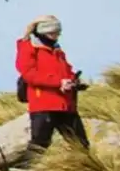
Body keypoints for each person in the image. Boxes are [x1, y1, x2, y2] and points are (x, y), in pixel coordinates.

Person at [16, 14, 89, 150]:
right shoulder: (28, 47)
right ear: (43, 32)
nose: (57, 36)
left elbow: (66, 71)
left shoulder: (57, 50)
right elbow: (29, 74)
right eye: (53, 33)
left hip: (66, 104)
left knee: (81, 145)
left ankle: (86, 170)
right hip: (43, 105)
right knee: (39, 145)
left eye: (57, 33)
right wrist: (58, 82)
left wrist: (75, 81)